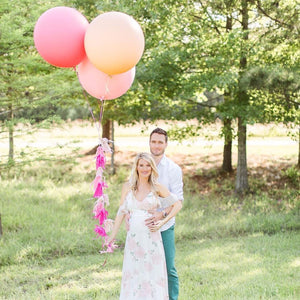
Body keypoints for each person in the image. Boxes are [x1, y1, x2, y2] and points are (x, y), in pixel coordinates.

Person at [106, 152, 182, 300]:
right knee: (134, 272)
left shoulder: (157, 187)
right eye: (141, 165)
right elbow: (121, 211)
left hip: (151, 238)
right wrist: (112, 235)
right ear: (136, 167)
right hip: (134, 240)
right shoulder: (128, 187)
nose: (144, 168)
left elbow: (177, 205)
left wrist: (162, 221)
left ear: (152, 168)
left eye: (148, 165)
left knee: (151, 273)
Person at [145, 128, 183, 300]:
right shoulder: (142, 166)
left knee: (168, 267)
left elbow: (178, 202)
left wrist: (161, 215)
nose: (157, 145)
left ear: (166, 144)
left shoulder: (173, 169)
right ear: (149, 142)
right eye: (154, 141)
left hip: (165, 226)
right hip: (143, 226)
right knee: (145, 268)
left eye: (160, 142)